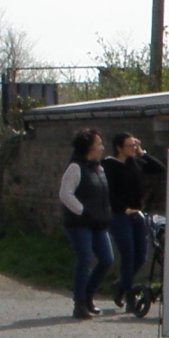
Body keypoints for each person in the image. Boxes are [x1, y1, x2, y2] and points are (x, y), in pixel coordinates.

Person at [102, 132, 166, 307]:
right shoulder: (109, 165)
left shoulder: (135, 163)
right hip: (119, 214)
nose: (133, 148)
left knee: (141, 256)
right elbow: (109, 192)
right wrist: (124, 208)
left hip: (138, 213)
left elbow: (159, 168)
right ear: (119, 147)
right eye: (130, 145)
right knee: (128, 254)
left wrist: (142, 153)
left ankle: (121, 284)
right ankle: (129, 295)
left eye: (134, 145)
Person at [59, 128, 113, 320]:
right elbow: (65, 194)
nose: (102, 147)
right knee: (84, 260)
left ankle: (88, 295)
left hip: (98, 223)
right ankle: (79, 303)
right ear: (89, 147)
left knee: (107, 259)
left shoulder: (99, 168)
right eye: (98, 143)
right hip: (78, 223)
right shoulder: (75, 167)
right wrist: (83, 211)